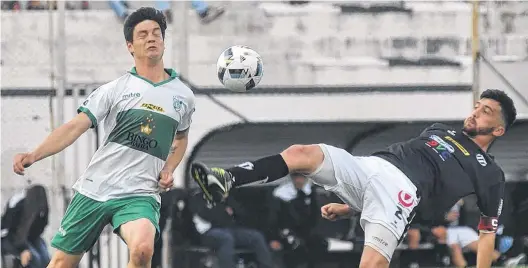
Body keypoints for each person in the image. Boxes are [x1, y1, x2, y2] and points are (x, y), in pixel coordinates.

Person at [190, 89, 516, 268]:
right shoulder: (439, 130)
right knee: (303, 152)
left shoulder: (489, 172)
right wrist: (351, 206)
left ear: (498, 129)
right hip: (370, 166)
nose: (474, 112)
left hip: (400, 196)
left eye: (485, 110)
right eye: (476, 106)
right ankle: (227, 178)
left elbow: (485, 234)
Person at [12, 7, 195, 268]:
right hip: (96, 189)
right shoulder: (115, 89)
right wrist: (34, 154)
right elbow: (75, 126)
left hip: (139, 193)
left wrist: (169, 168)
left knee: (143, 249)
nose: (152, 38)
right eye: (143, 35)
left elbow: (181, 139)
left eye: (157, 33)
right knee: (62, 263)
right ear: (130, 46)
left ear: (164, 41)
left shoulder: (183, 96)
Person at [189, 192, 275, 268]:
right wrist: (224, 211)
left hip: (230, 230)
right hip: (208, 233)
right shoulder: (198, 198)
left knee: (256, 236)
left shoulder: (222, 196)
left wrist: (228, 201)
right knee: (226, 238)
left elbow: (241, 212)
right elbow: (207, 216)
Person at [1, 184, 50, 268]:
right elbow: (10, 232)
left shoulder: (40, 207)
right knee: (35, 259)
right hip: (9, 239)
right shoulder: (19, 205)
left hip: (29, 237)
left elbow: (42, 225)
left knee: (45, 258)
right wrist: (23, 249)